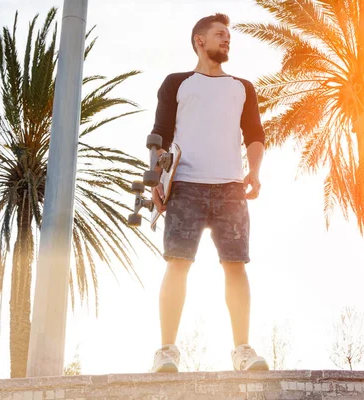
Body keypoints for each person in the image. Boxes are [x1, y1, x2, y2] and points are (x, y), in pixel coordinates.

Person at [148, 13, 268, 373]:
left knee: (236, 266)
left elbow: (255, 135)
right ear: (200, 40)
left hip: (231, 188)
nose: (227, 40)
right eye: (220, 35)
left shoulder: (242, 87)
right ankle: (167, 350)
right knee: (178, 264)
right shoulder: (176, 83)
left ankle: (242, 350)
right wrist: (157, 177)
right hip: (184, 186)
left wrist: (255, 171)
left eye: (228, 36)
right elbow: (159, 135)